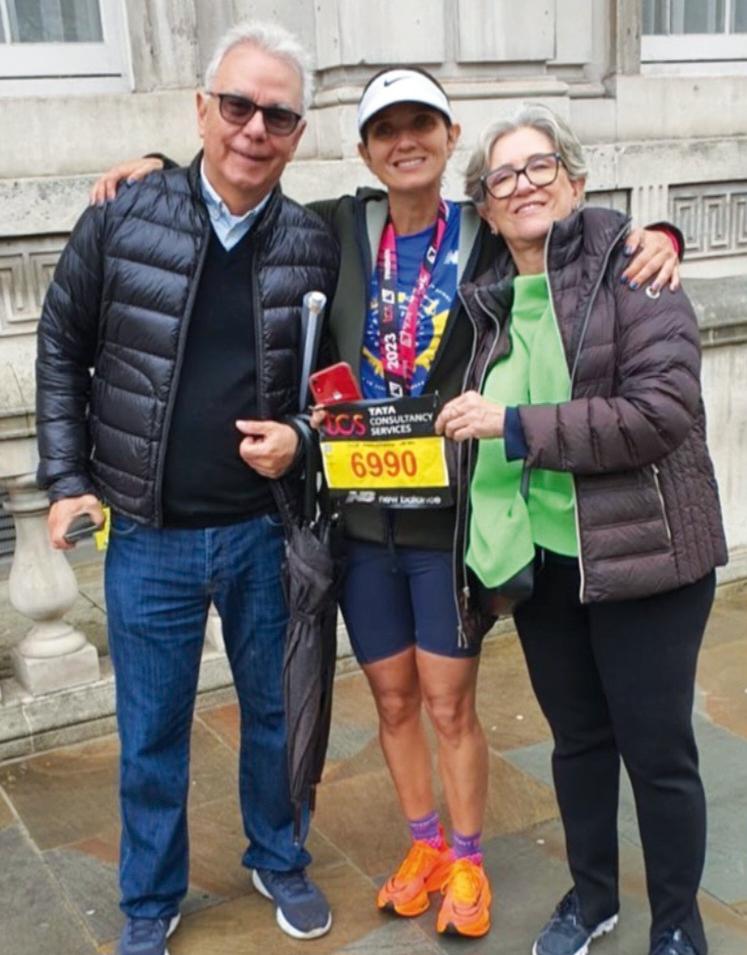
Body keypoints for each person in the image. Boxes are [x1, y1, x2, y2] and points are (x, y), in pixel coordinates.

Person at [90, 69, 682, 940]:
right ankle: (425, 844)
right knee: (393, 700)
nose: (404, 141)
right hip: (360, 519)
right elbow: (241, 193)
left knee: (449, 703)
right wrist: (155, 164)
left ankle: (471, 859)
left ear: (449, 141)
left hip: (447, 521)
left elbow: (579, 235)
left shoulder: (488, 230)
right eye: (384, 129)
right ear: (364, 148)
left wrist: (658, 233)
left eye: (422, 125)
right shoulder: (337, 227)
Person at [35, 21, 339, 955]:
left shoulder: (314, 241)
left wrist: (297, 438)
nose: (255, 128)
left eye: (278, 114)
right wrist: (65, 477)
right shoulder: (122, 216)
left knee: (274, 714)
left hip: (263, 530)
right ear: (202, 108)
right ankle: (149, 899)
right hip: (150, 534)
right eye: (238, 105)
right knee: (152, 732)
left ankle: (276, 852)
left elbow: (331, 389)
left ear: (298, 131)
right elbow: (61, 350)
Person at [436, 104, 727, 955]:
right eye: (502, 176)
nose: (522, 185)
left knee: (658, 751)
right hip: (544, 566)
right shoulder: (484, 302)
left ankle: (677, 922)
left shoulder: (637, 273)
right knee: (578, 744)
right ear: (485, 207)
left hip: (646, 557)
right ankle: (592, 895)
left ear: (575, 179)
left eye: (539, 167)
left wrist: (515, 424)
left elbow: (657, 414)